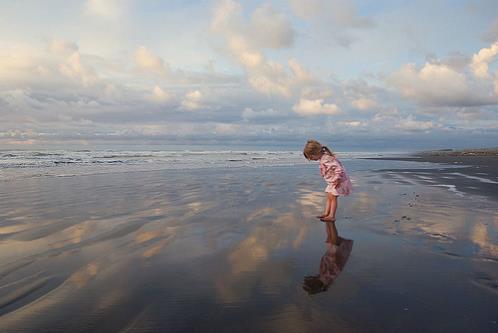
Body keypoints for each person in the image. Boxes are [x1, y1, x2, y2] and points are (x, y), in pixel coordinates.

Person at [303, 139, 352, 222]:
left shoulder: (327, 158)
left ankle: (332, 216)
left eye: (311, 157)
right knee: (329, 196)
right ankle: (327, 213)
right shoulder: (324, 158)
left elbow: (339, 169)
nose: (311, 159)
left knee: (333, 198)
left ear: (316, 152)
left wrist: (337, 179)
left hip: (339, 180)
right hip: (333, 181)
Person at [302, 221, 353, 295]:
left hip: (331, 257)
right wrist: (333, 256)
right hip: (333, 257)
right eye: (310, 280)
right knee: (333, 241)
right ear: (314, 283)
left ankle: (330, 223)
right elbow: (336, 268)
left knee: (330, 239)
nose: (311, 277)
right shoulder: (325, 278)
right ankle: (331, 223)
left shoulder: (323, 278)